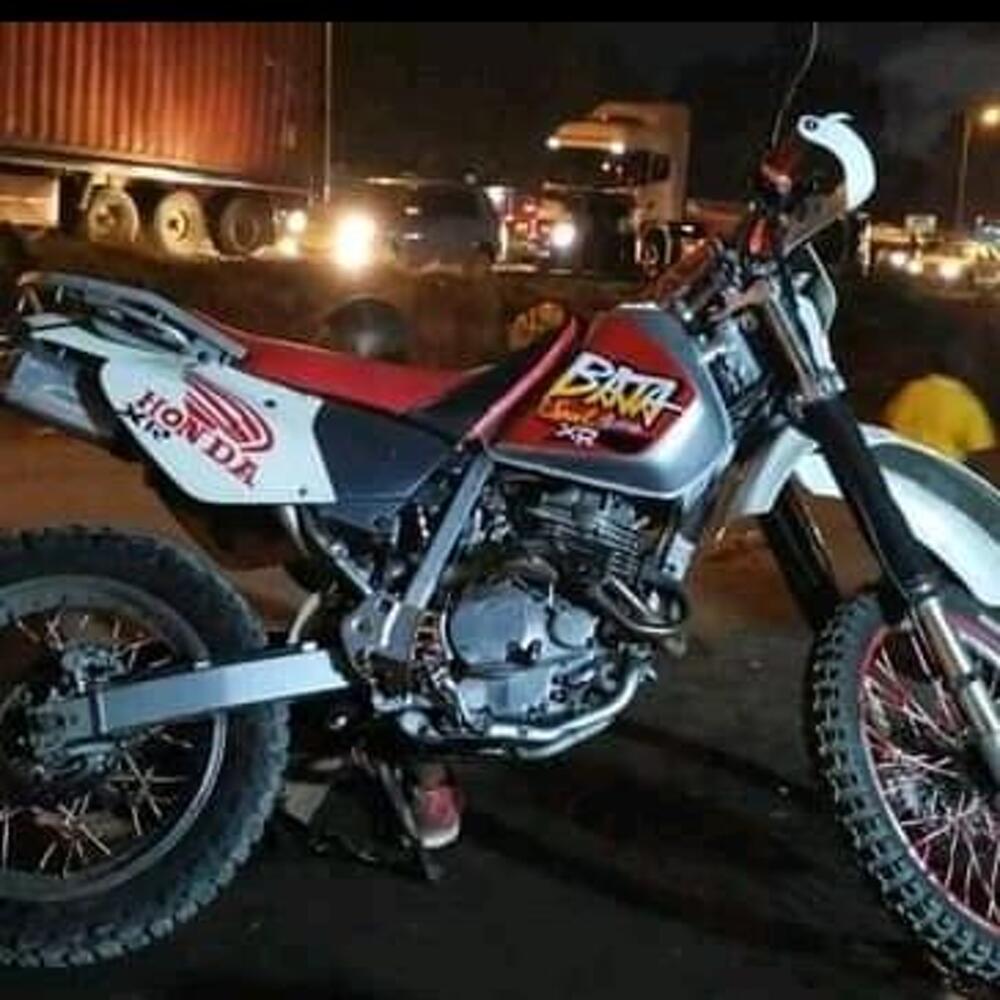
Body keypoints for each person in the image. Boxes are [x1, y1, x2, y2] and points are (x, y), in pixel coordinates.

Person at [882, 344, 996, 462]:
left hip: (900, 458)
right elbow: (981, 448)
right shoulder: (969, 403)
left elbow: (889, 420)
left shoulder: (911, 390)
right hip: (937, 467)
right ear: (964, 372)